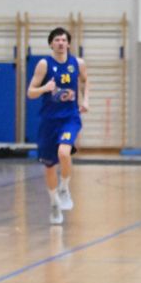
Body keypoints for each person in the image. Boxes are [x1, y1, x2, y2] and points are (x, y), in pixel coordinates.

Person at [27, 28, 88, 225]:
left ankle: (64, 188)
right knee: (50, 166)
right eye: (57, 40)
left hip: (70, 118)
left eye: (63, 40)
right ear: (51, 44)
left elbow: (85, 81)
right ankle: (54, 203)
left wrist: (85, 100)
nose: (60, 43)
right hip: (49, 120)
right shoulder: (44, 64)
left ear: (68, 43)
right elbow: (30, 92)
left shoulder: (77, 63)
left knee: (64, 152)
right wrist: (45, 88)